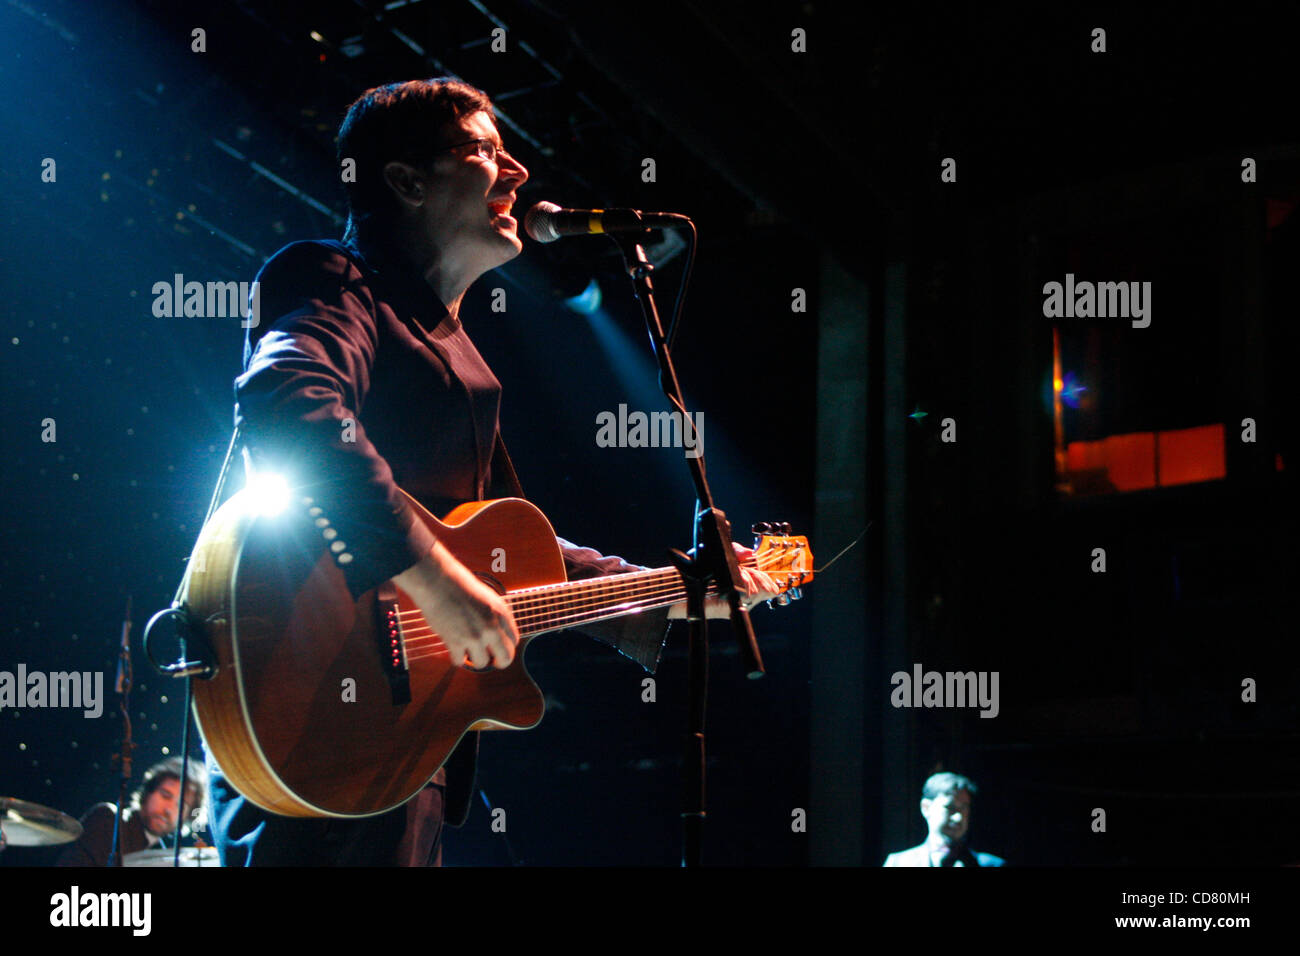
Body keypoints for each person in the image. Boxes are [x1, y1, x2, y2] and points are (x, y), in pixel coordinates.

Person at [207, 77, 778, 866]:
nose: (516, 172)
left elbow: (509, 548)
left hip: (410, 745)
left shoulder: (464, 360)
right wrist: (434, 578)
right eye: (483, 150)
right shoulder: (332, 280)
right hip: (306, 706)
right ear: (406, 181)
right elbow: (287, 399)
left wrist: (676, 593)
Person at [57, 756, 208, 867]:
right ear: (148, 791)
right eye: (165, 795)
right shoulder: (108, 820)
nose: (169, 809)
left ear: (188, 816)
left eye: (181, 805)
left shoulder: (164, 857)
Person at [883, 771, 1005, 867]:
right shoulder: (899, 863)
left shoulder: (992, 864)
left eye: (964, 808)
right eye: (950, 808)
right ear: (926, 808)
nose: (958, 817)